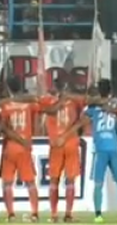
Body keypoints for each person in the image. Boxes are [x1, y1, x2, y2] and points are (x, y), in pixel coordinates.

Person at [76, 79, 117, 223]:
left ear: (98, 91)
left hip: (100, 148)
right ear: (111, 90)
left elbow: (82, 119)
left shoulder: (93, 107)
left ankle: (98, 215)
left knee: (98, 183)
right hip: (114, 146)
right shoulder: (116, 104)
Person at [39, 77, 85, 222]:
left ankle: (55, 215)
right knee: (67, 180)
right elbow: (86, 103)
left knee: (55, 180)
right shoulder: (72, 101)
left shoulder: (48, 100)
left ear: (54, 87)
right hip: (68, 142)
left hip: (58, 143)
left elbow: (46, 109)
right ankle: (66, 214)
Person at [0, 76, 40, 221]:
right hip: (25, 148)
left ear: (8, 88)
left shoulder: (5, 105)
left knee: (7, 182)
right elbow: (39, 103)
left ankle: (11, 214)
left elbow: (3, 127)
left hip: (10, 146)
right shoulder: (29, 105)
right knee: (30, 182)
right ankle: (35, 213)